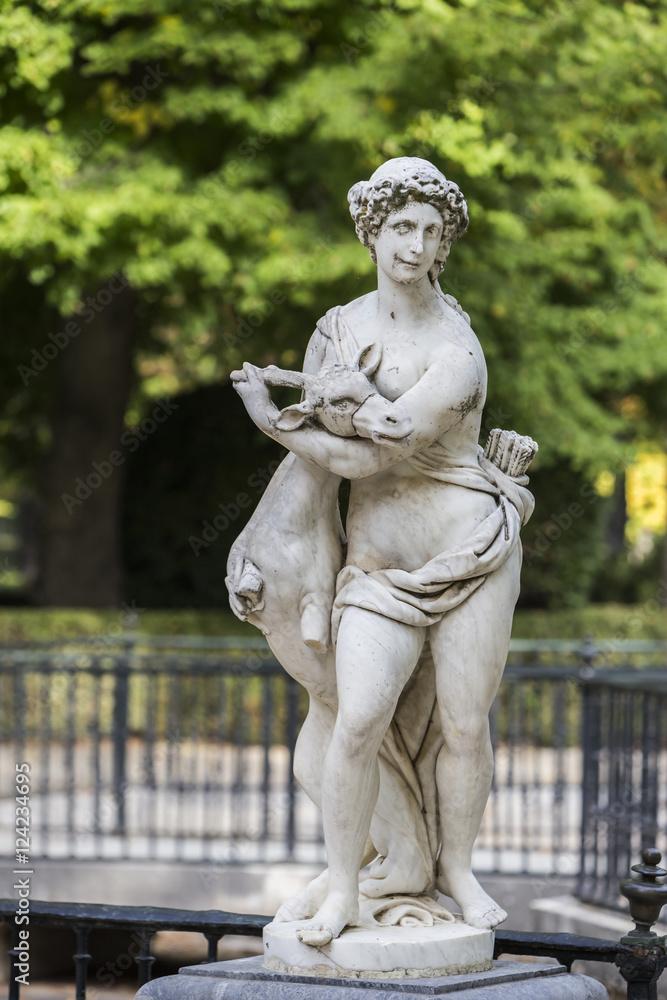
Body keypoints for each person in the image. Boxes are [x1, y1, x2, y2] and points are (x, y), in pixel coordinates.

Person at [230, 157, 535, 946]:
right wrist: (257, 549)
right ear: (371, 232)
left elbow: (381, 444)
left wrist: (292, 413)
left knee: (463, 723)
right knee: (356, 719)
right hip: (376, 565)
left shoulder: (457, 347)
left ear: (443, 246)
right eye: (401, 227)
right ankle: (343, 888)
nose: (415, 245)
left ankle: (456, 870)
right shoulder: (335, 331)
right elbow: (318, 468)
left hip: (471, 547)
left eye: (431, 232)